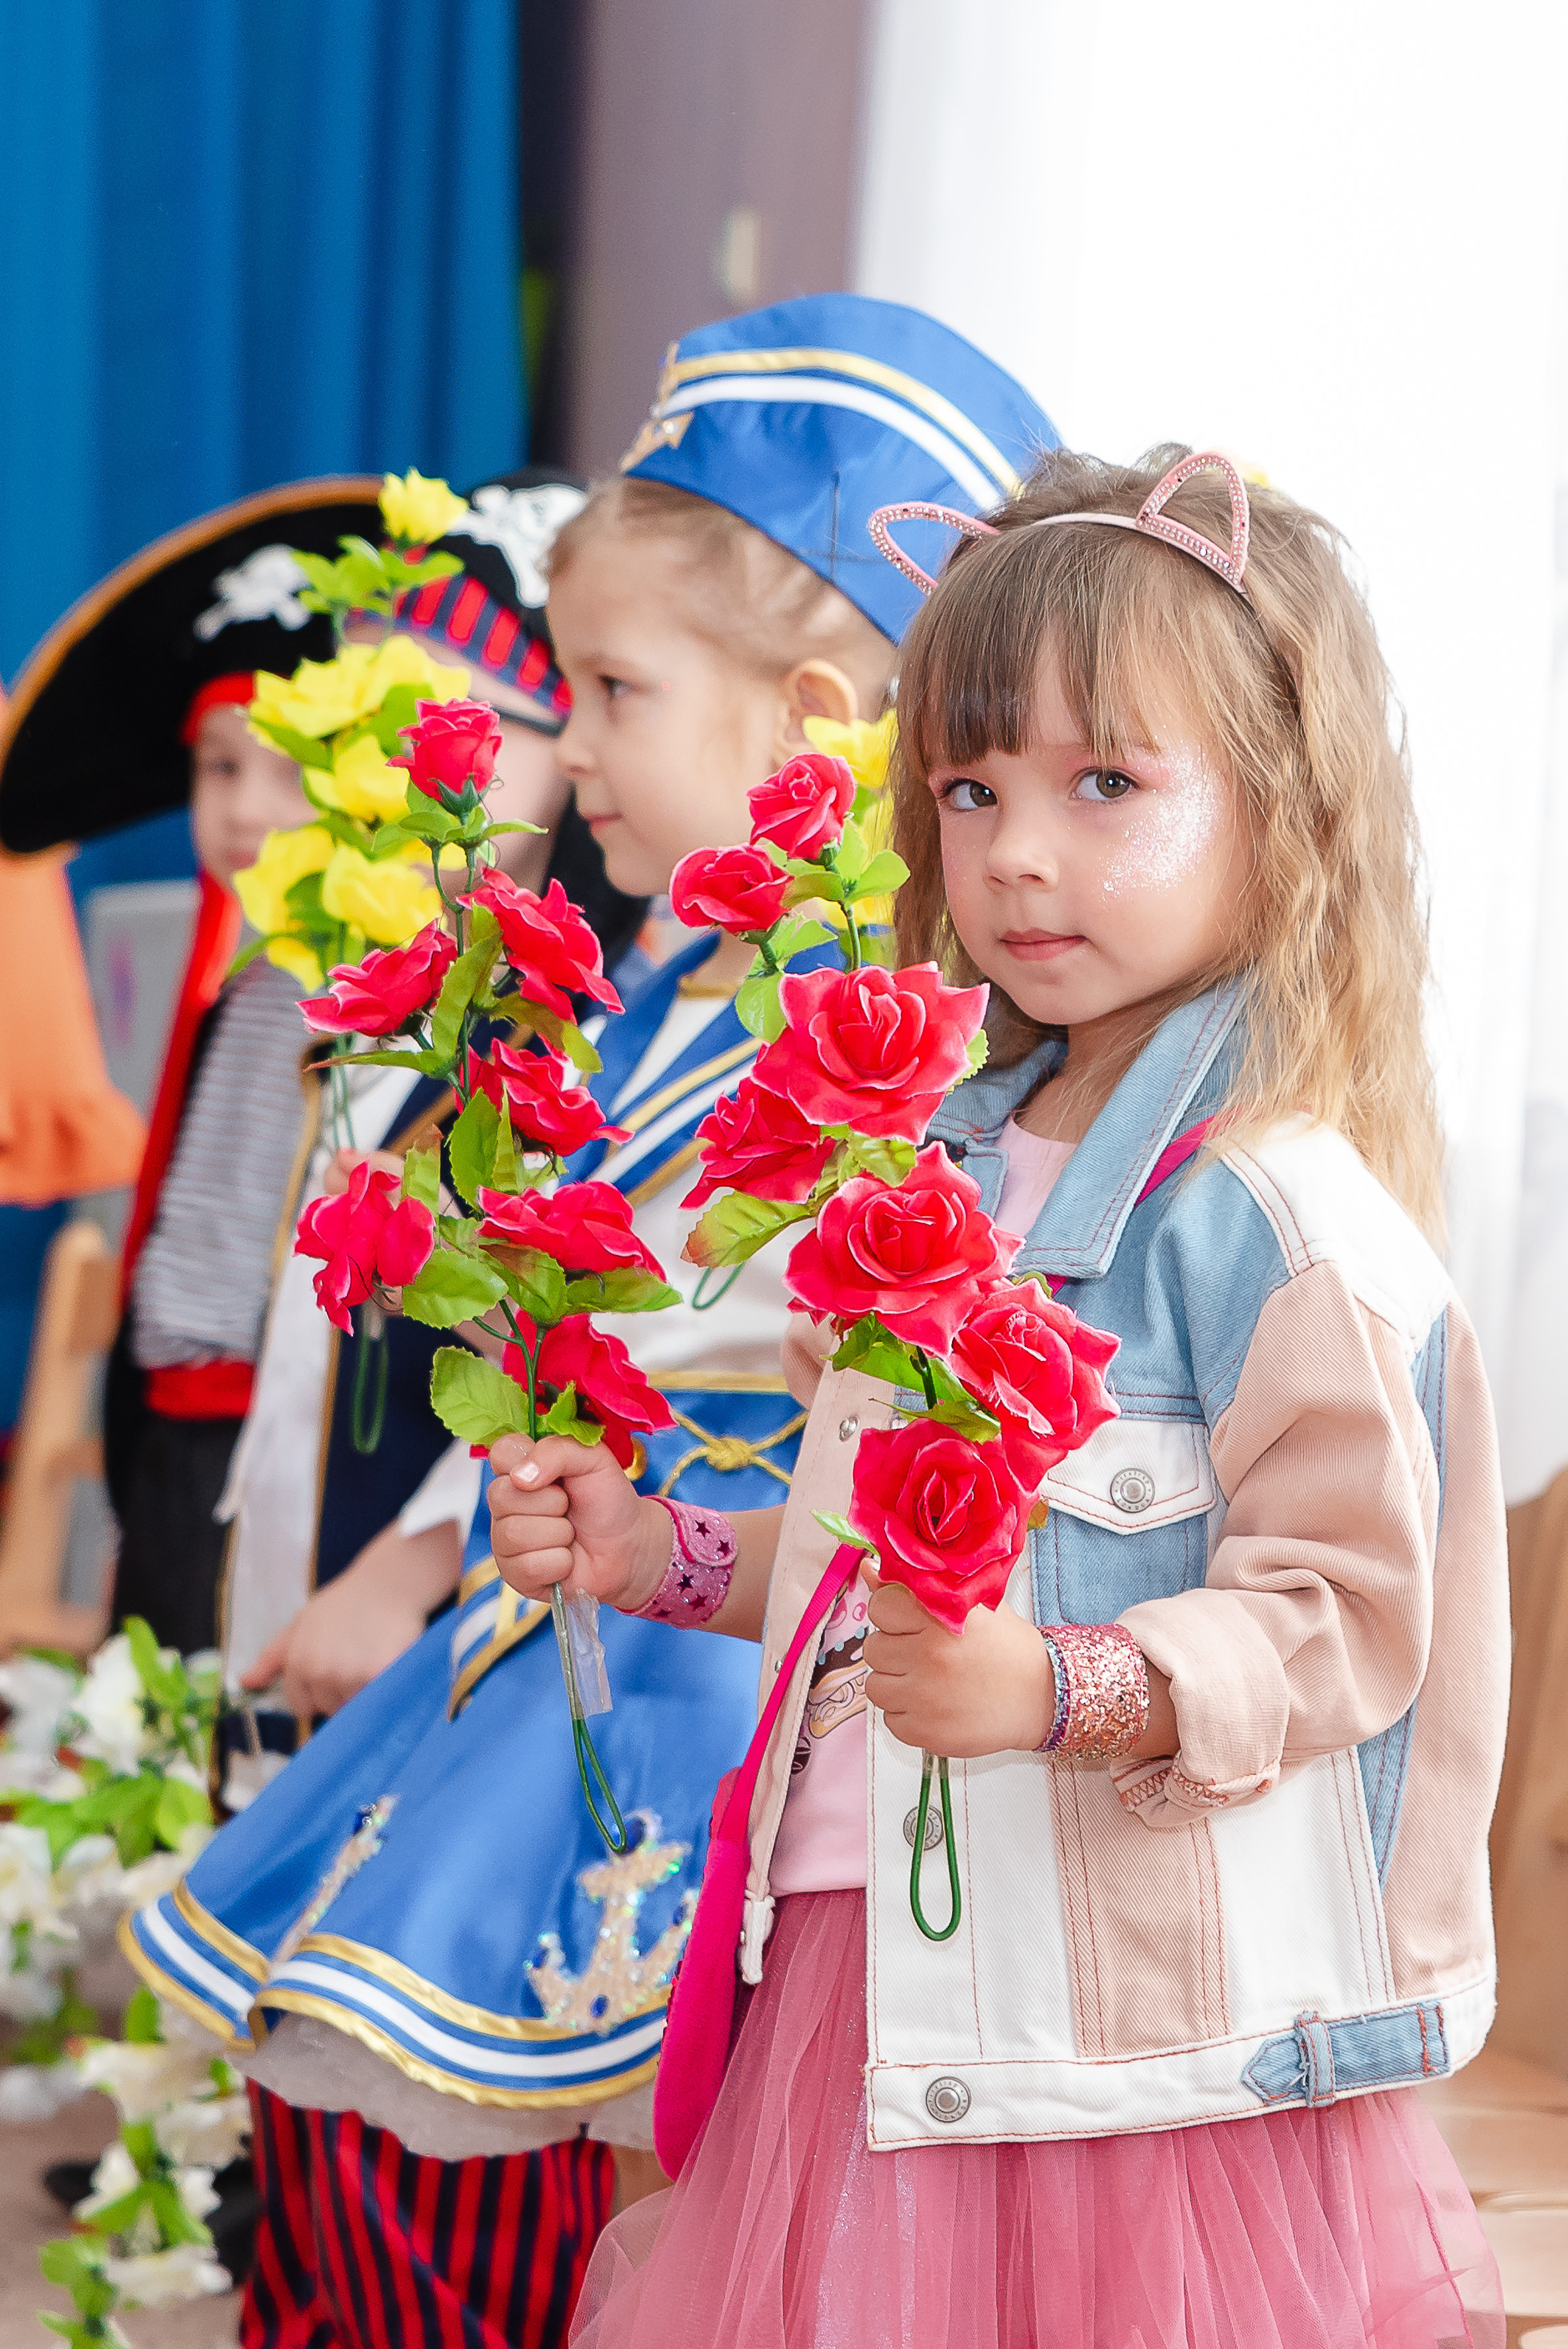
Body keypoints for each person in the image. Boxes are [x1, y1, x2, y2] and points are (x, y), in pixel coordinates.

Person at [488, 448, 1509, 2348]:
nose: (1018, 850)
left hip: (1114, 2057)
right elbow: (861, 1555)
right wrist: (659, 1546)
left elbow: (1350, 1620)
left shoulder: (1273, 1222)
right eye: (971, 789)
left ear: (1282, 816)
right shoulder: (923, 1175)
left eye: (1101, 783)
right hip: (864, 1974)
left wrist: (1061, 1689)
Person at [124, 295, 1057, 2349]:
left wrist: (445, 1544)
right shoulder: (672, 1004)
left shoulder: (864, 1051)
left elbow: (751, 1389)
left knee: (516, 2215)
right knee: (370, 2195)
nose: (574, 749)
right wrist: (406, 1543)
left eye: (614, 688)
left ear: (812, 719)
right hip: (552, 1631)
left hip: (692, 1705)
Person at [215, 467, 647, 1767]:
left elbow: (594, 1362)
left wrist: (413, 1562)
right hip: (298, 1621)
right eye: (356, 727)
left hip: (449, 1637)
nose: (381, 774)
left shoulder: (576, 1041)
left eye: (441, 724)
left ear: (565, 748)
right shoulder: (369, 1005)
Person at [0, 479, 385, 1656]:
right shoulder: (237, 981)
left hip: (272, 1424)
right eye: (219, 772)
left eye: (285, 771)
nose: (242, 812)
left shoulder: (366, 992)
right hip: (173, 1404)